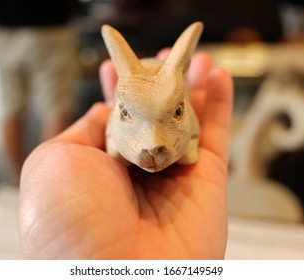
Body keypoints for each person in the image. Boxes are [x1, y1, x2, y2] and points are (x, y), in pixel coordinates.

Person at [18, 50, 233, 259]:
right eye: (126, 113)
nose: (154, 144)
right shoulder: (117, 116)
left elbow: (192, 127)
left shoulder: (185, 107)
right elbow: (113, 129)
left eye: (177, 112)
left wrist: (189, 142)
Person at [0, 0, 79, 184]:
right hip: (49, 24)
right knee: (55, 109)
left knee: (10, 109)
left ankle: (17, 181)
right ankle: (47, 184)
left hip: (3, 28)